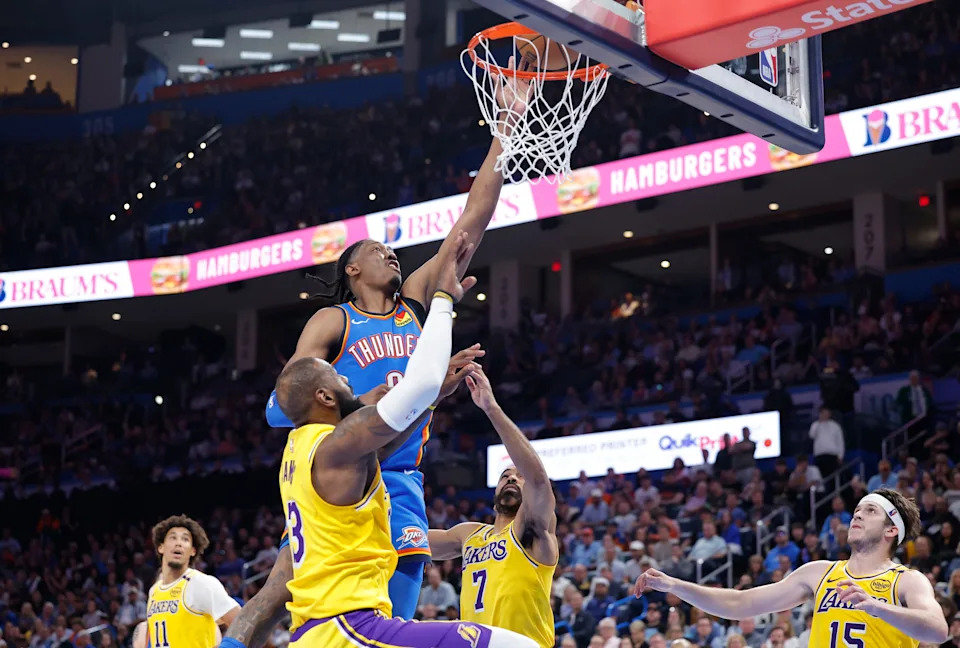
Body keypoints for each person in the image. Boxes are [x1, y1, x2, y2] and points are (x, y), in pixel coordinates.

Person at [262, 87, 524, 620]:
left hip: (401, 476)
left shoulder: (414, 306)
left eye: (393, 250)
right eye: (377, 251)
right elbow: (278, 409)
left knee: (395, 623)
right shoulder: (334, 320)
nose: (391, 253)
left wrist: (505, 132)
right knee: (308, 610)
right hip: (343, 470)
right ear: (352, 269)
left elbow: (470, 223)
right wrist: (365, 402)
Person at [241, 235, 537, 648]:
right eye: (337, 375)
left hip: (328, 610)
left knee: (273, 597)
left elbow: (399, 424)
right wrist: (443, 305)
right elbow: (419, 387)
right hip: (352, 619)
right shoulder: (341, 441)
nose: (345, 377)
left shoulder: (316, 448)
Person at [634, 488, 949, 647]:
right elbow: (739, 603)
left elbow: (937, 629)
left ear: (892, 530)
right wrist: (675, 585)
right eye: (857, 509)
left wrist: (877, 607)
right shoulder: (819, 573)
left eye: (870, 511)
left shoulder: (907, 580)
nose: (857, 515)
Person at [428, 366, 558, 648]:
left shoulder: (531, 528)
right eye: (505, 476)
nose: (511, 478)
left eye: (519, 477)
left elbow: (538, 479)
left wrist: (491, 408)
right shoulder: (468, 534)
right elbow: (411, 542)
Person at [134, 515, 239, 648]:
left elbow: (241, 621)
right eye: (173, 537)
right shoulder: (154, 590)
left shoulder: (201, 583)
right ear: (161, 547)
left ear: (193, 551)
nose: (178, 543)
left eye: (185, 539)